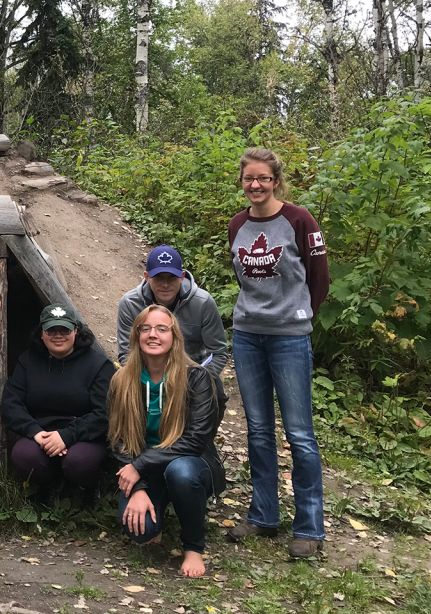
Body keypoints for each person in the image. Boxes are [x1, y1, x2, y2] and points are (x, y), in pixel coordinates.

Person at [226, 148, 330, 559]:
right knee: (257, 430)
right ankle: (264, 515)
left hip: (289, 337)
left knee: (300, 434)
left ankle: (309, 527)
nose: (255, 185)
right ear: (242, 181)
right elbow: (242, 278)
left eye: (263, 179)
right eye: (249, 178)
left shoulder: (299, 220)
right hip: (248, 335)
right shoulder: (236, 225)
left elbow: (319, 280)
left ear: (276, 181)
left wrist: (298, 316)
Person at [107, 305, 225, 578]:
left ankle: (193, 546)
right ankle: (157, 508)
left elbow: (195, 440)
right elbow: (117, 439)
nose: (153, 335)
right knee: (140, 531)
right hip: (146, 471)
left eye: (162, 329)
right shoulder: (122, 380)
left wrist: (139, 465)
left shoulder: (197, 378)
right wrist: (137, 486)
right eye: (145, 328)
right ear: (136, 336)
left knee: (180, 473)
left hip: (191, 465)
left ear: (175, 336)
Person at [0, 303, 114, 501]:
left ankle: (85, 493)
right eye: (51, 330)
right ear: (42, 333)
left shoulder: (98, 365)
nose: (58, 335)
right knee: (24, 456)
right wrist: (35, 432)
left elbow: (104, 413)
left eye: (64, 329)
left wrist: (67, 436)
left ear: (76, 331)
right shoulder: (27, 362)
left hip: (83, 435)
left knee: (79, 461)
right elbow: (11, 403)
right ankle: (47, 491)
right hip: (41, 434)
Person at [116, 245, 230, 377]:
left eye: (171, 277)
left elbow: (218, 353)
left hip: (192, 373)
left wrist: (199, 382)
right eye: (159, 277)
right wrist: (150, 382)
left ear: (182, 276)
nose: (165, 284)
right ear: (147, 276)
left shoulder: (203, 303)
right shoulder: (130, 304)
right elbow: (126, 353)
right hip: (146, 374)